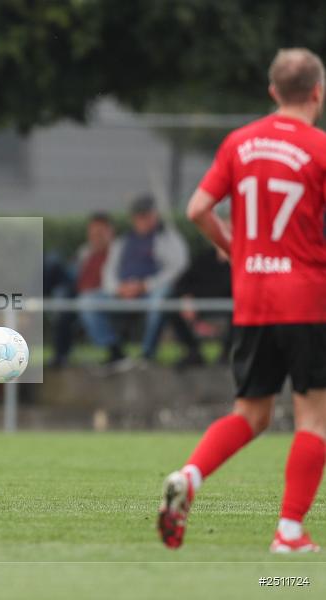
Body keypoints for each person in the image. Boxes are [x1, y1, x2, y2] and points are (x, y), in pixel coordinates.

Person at [158, 48, 326, 553]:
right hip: (306, 297)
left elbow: (197, 208)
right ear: (317, 92)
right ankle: (289, 533)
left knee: (250, 413)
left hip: (252, 296)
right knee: (314, 417)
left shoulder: (239, 142)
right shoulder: (320, 149)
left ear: (273, 92)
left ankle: (190, 476)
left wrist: (237, 249)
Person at [79, 196, 187, 366]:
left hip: (150, 292)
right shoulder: (122, 242)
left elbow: (177, 268)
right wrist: (119, 289)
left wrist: (145, 285)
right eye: (139, 216)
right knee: (87, 301)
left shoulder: (167, 239)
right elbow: (108, 272)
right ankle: (114, 350)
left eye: (146, 215)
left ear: (154, 215)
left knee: (161, 298)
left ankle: (147, 353)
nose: (143, 221)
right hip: (122, 294)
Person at [48, 212, 115, 368]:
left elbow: (112, 282)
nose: (95, 237)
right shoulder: (85, 251)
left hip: (98, 292)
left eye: (100, 233)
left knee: (64, 296)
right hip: (77, 288)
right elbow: (76, 273)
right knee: (53, 263)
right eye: (92, 233)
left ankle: (60, 355)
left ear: (110, 232)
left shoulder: (117, 251)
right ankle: (34, 297)